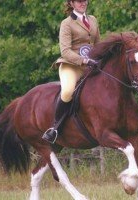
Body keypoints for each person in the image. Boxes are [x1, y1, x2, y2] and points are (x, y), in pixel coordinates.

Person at [42, 0, 100, 143]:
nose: (83, 3)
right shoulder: (66, 23)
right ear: (72, 3)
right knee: (67, 91)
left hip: (90, 66)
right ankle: (55, 128)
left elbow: (98, 44)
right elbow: (65, 51)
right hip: (71, 66)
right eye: (79, 1)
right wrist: (84, 60)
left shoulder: (93, 19)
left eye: (84, 0)